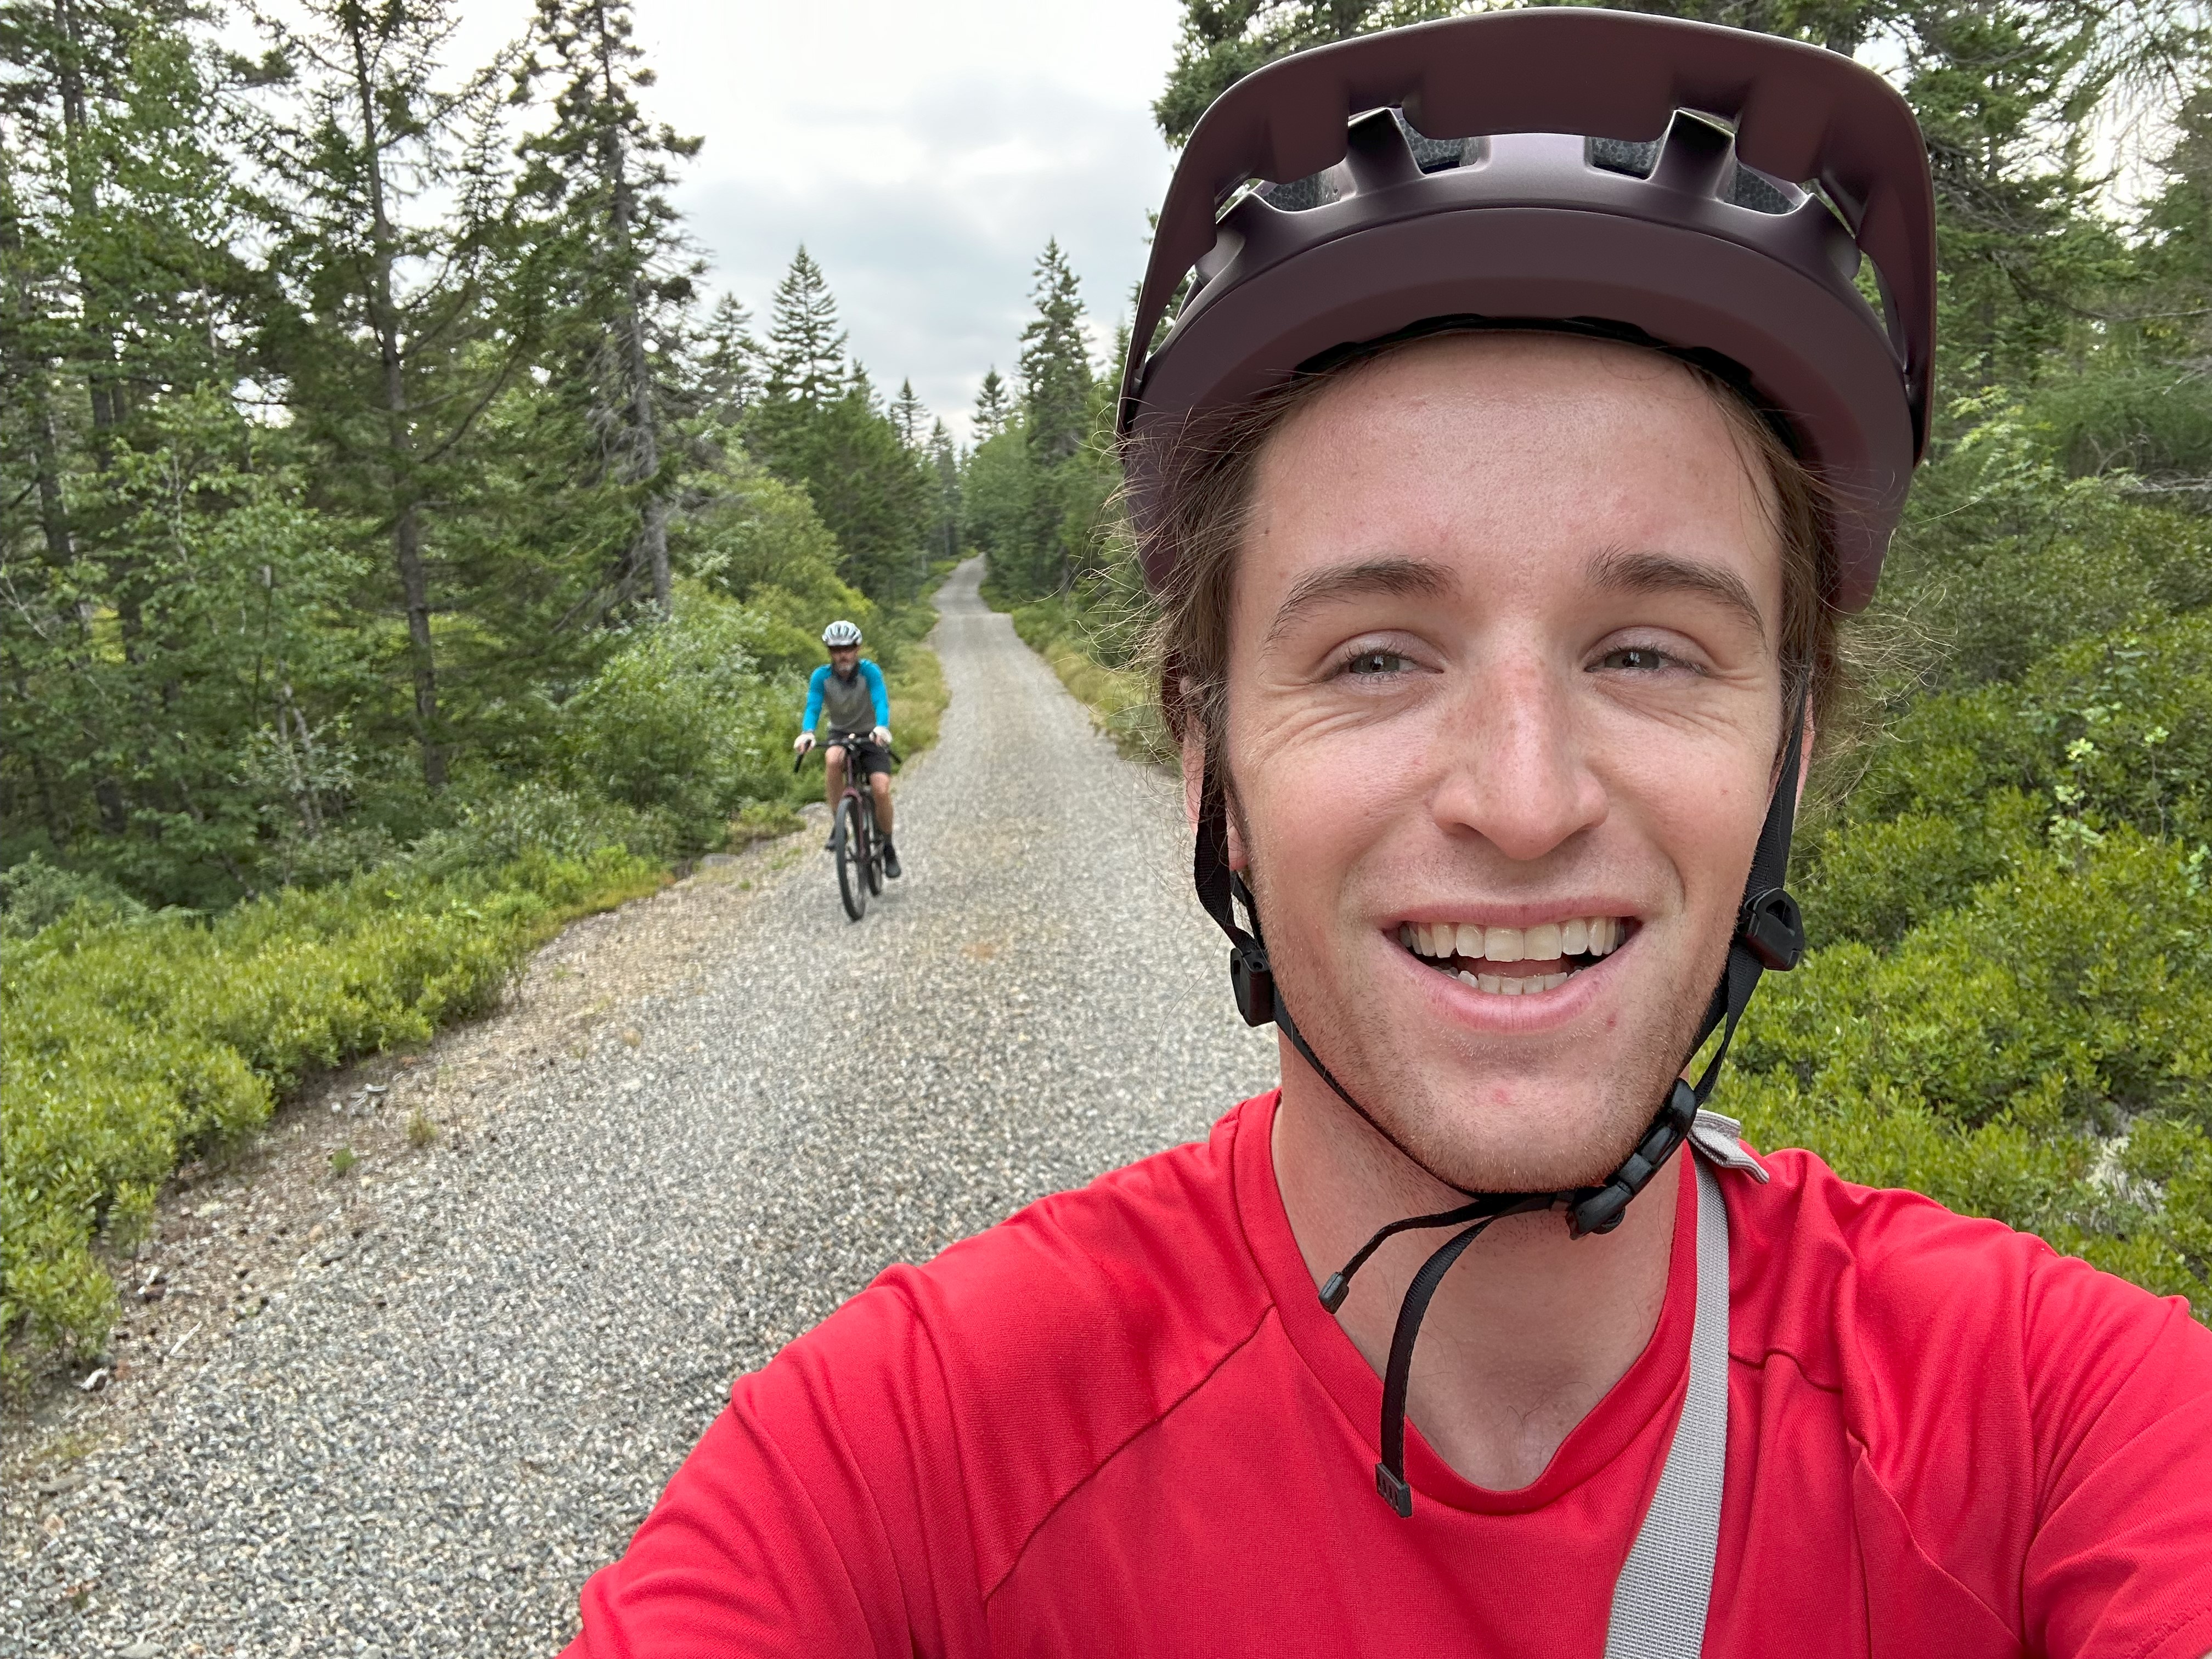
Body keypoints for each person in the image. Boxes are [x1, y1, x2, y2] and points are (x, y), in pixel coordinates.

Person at [571, 12, 2212, 1654]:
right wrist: (823, 734)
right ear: (1210, 766)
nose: (1521, 798)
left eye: (1646, 650)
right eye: (1375, 657)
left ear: (1787, 759)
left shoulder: (2063, 1423)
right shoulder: (901, 1455)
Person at [794, 619, 900, 881]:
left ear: (858, 648)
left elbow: (880, 700)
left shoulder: (870, 672)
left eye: (848, 648)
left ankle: (888, 846)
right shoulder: (821, 676)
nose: (843, 655)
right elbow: (813, 706)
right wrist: (808, 732)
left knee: (881, 789)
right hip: (839, 732)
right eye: (836, 649)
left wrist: (882, 727)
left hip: (871, 734)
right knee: (832, 760)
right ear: (829, 651)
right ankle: (839, 824)